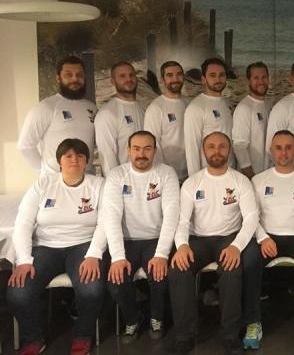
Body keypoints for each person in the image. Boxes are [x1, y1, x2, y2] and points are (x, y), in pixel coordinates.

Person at [7, 139, 106, 355]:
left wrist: (94, 254)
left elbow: (106, 223)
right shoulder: (42, 184)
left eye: (80, 156)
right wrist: (23, 260)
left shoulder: (99, 185)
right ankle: (33, 339)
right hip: (46, 246)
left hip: (84, 245)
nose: (74, 160)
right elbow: (23, 223)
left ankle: (83, 336)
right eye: (68, 156)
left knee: (92, 290)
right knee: (18, 293)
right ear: (59, 161)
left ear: (86, 161)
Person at [168, 132, 258, 355]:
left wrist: (236, 246)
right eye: (211, 146)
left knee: (232, 270)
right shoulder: (192, 183)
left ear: (229, 150)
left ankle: (230, 335)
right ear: (203, 151)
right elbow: (182, 221)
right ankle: (184, 335)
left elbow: (251, 218)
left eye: (222, 146)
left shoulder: (240, 181)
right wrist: (182, 246)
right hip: (198, 240)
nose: (216, 151)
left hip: (229, 238)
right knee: (179, 269)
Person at [242, 130, 294, 349]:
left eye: (288, 147)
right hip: (267, 237)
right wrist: (262, 238)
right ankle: (252, 322)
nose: (284, 152)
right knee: (249, 262)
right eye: (279, 148)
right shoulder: (258, 180)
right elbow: (250, 217)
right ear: (271, 151)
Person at [101, 131, 180, 343]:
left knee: (160, 276)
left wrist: (162, 254)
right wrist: (118, 257)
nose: (141, 154)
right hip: (126, 241)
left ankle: (157, 318)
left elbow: (172, 214)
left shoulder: (166, 173)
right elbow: (111, 217)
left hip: (156, 239)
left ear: (155, 150)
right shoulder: (117, 175)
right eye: (136, 149)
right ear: (128, 151)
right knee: (116, 281)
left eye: (147, 148)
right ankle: (133, 318)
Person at [17, 55, 98, 175]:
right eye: (68, 75)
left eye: (79, 75)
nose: (75, 79)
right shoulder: (45, 107)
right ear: (58, 78)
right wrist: (46, 171)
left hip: (88, 179)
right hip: (55, 180)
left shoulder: (91, 108)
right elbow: (25, 146)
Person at [184, 58, 234, 176]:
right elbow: (192, 148)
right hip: (208, 175)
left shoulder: (226, 103)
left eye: (221, 75)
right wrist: (195, 180)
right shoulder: (196, 107)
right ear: (203, 79)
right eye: (212, 75)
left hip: (229, 172)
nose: (218, 79)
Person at [95, 61, 145, 175]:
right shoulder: (107, 114)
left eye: (131, 75)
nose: (129, 79)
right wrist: (116, 183)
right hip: (124, 182)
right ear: (113, 81)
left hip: (145, 178)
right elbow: (107, 157)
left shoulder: (142, 108)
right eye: (122, 76)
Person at [144, 60, 189, 181]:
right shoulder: (156, 108)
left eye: (179, 74)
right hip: (168, 177)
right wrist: (164, 176)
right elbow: (152, 144)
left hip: (190, 172)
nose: (175, 79)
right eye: (170, 75)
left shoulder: (189, 104)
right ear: (162, 80)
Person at [232, 62, 272, 179]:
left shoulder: (268, 104)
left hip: (268, 173)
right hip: (253, 175)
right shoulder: (244, 108)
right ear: (248, 81)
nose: (261, 81)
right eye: (256, 78)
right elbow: (239, 146)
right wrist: (251, 176)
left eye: (264, 77)